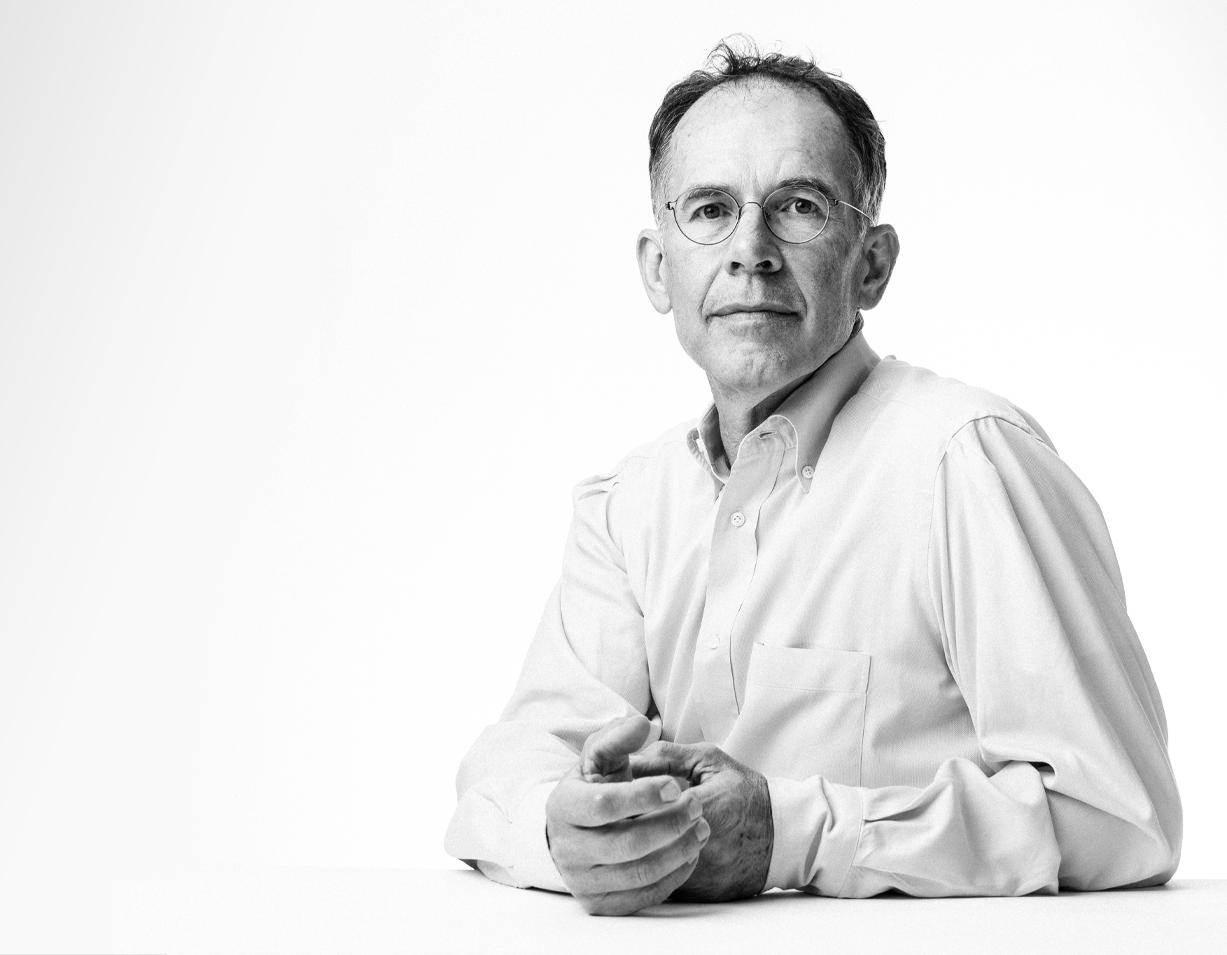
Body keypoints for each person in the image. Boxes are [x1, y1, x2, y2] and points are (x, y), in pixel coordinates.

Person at [444, 40, 1183, 916]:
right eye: (711, 209)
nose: (750, 250)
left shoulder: (966, 460)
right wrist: (561, 831)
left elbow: (1122, 817)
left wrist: (792, 831)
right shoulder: (627, 507)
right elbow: (508, 771)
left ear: (872, 262)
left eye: (797, 207)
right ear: (656, 268)